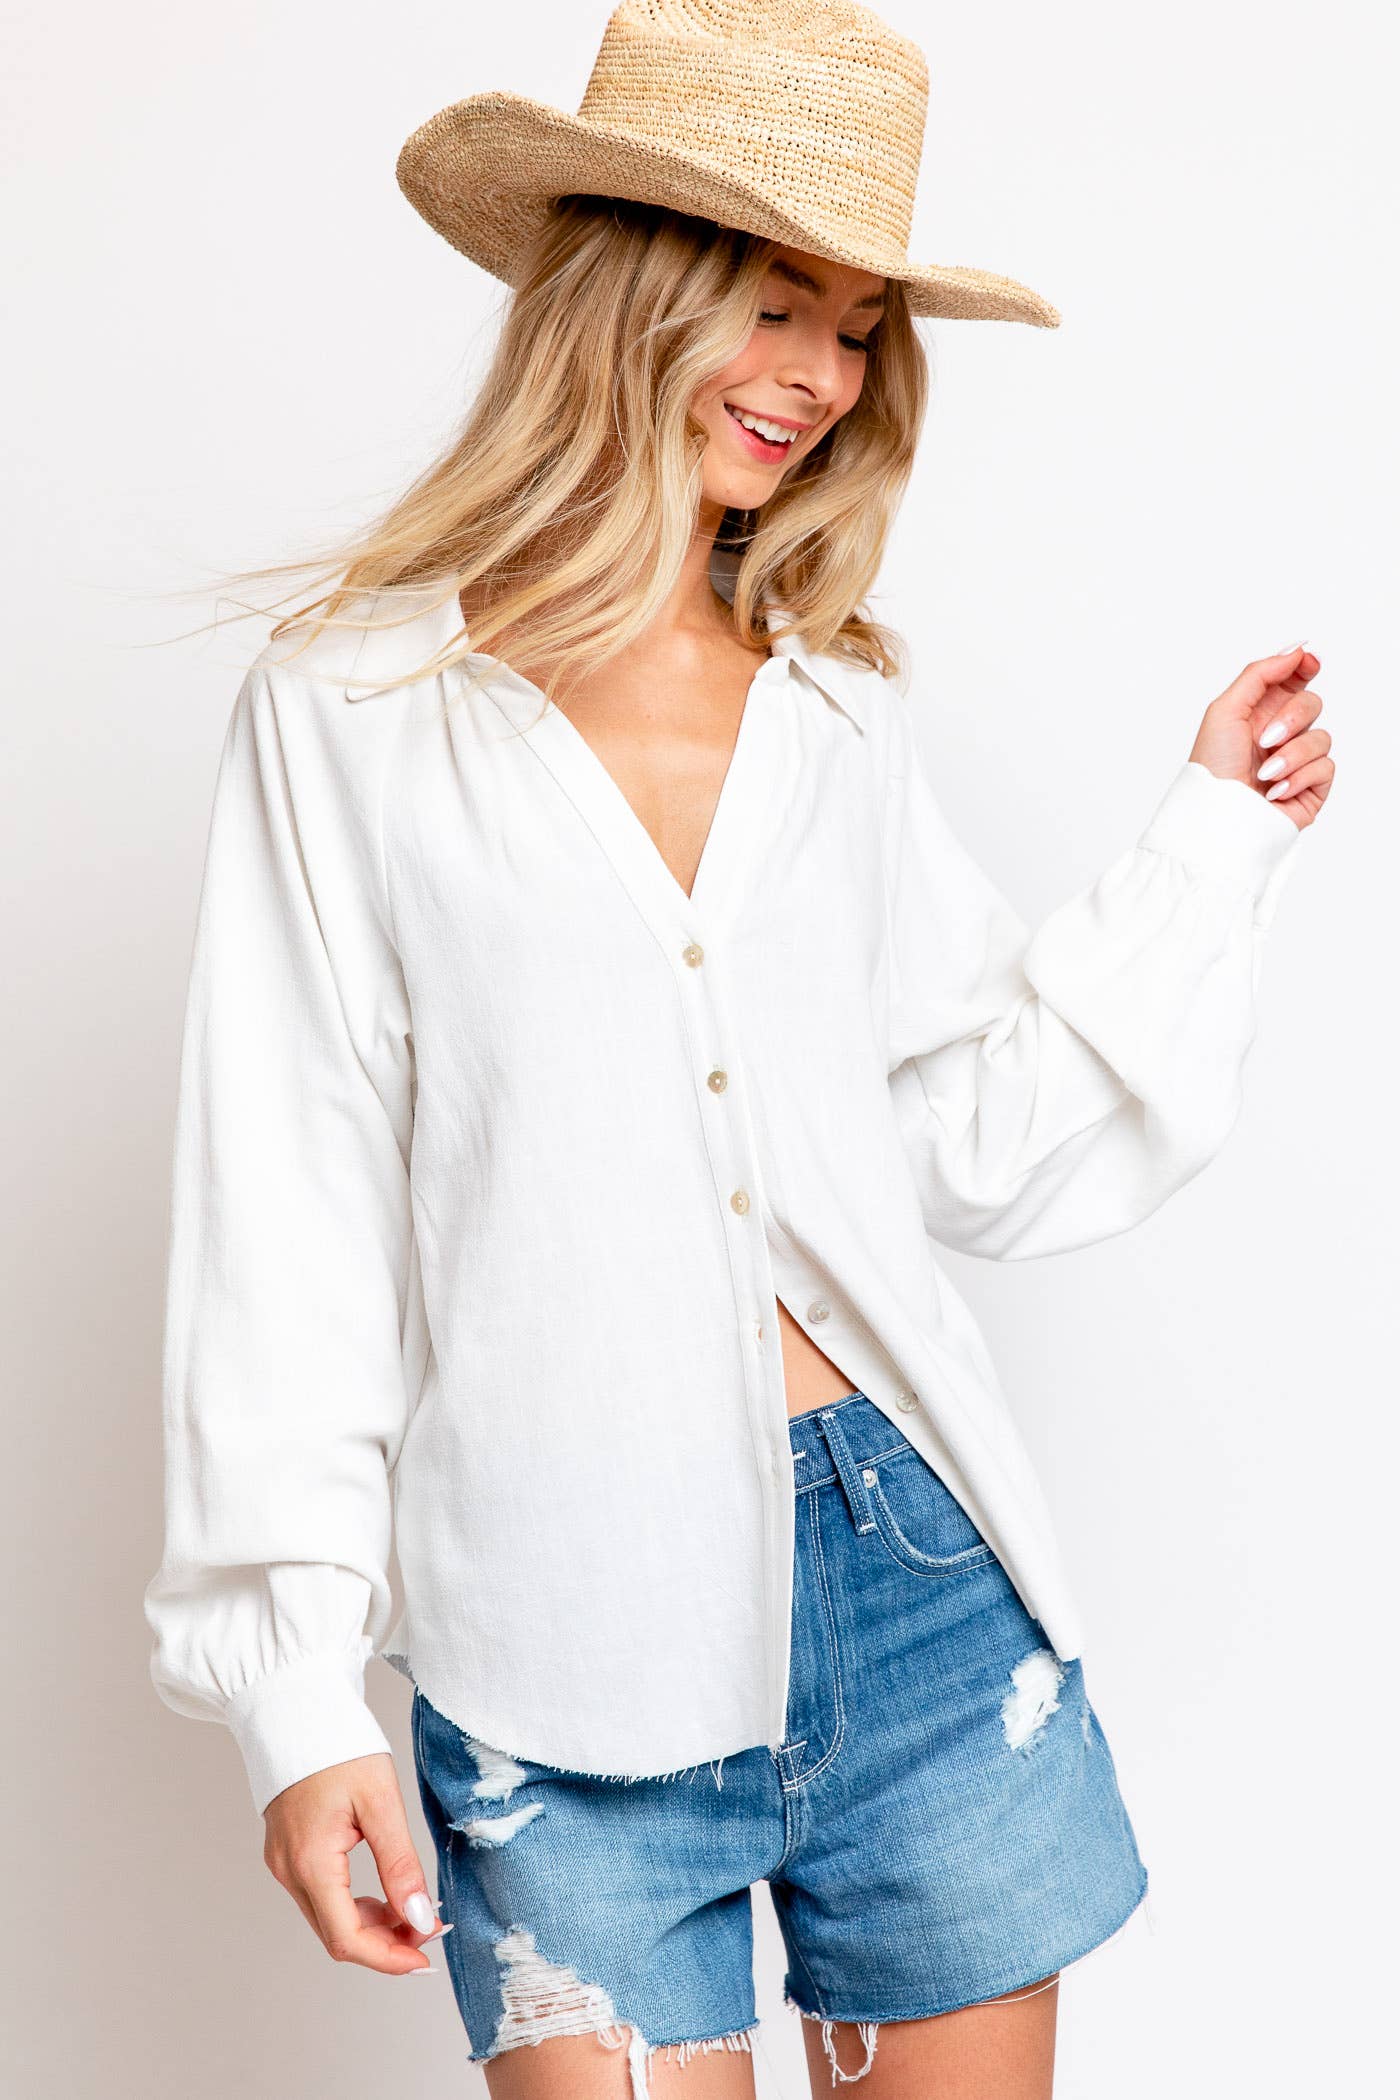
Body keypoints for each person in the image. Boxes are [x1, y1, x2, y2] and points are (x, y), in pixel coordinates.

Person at [142, 4, 1335, 2096]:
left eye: (858, 329)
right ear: (627, 297)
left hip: (919, 1583)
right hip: (557, 1635)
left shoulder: (836, 709)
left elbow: (967, 1142)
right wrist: (296, 1700)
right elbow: (290, 1211)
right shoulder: (353, 710)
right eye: (775, 306)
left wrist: (1212, 840)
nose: (821, 377)